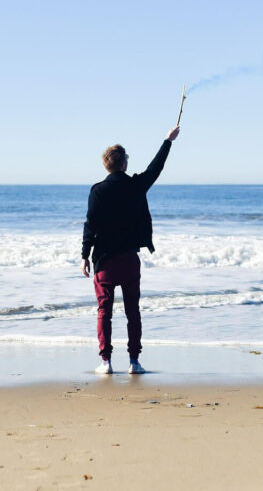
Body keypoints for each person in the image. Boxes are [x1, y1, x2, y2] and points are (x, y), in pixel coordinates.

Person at [81, 125, 180, 375]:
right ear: (123, 164)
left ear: (106, 166)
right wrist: (167, 141)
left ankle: (106, 362)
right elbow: (155, 168)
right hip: (128, 260)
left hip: (104, 261)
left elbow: (90, 225)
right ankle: (134, 362)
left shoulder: (97, 190)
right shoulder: (136, 186)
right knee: (132, 311)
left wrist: (84, 255)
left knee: (105, 312)